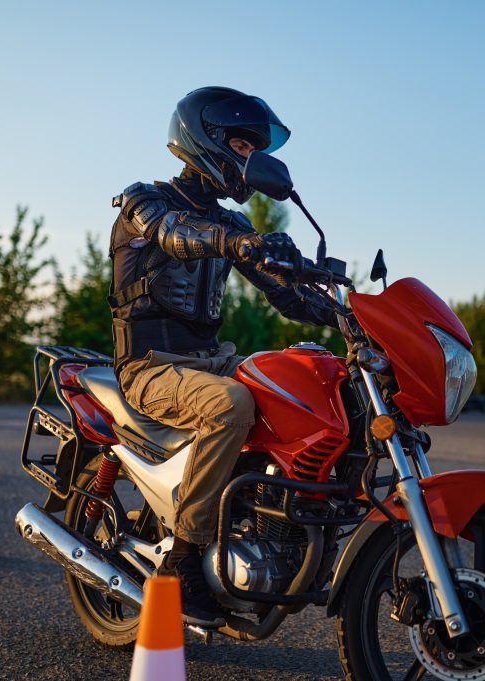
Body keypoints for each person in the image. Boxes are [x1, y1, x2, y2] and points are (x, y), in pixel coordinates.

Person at [107, 87, 336, 626]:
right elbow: (175, 234)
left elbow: (287, 295)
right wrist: (234, 243)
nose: (249, 160)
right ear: (204, 140)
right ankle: (183, 561)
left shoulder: (234, 226)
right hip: (149, 367)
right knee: (230, 404)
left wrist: (352, 312)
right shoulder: (145, 201)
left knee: (303, 386)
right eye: (240, 144)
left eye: (256, 151)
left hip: (211, 360)